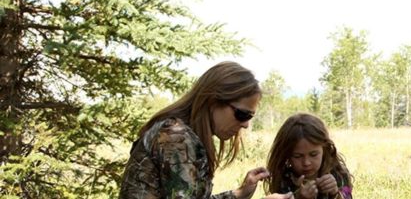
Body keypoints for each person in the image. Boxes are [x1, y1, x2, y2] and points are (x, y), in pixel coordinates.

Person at [119, 61, 290, 199]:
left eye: (250, 117)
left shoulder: (184, 136)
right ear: (213, 101)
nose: (245, 125)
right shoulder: (176, 137)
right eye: (242, 114)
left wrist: (240, 193)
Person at [265, 113, 353, 199]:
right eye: (297, 156)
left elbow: (347, 196)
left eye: (313, 154)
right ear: (286, 155)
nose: (306, 163)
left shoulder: (338, 173)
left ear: (324, 149)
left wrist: (335, 193)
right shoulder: (284, 179)